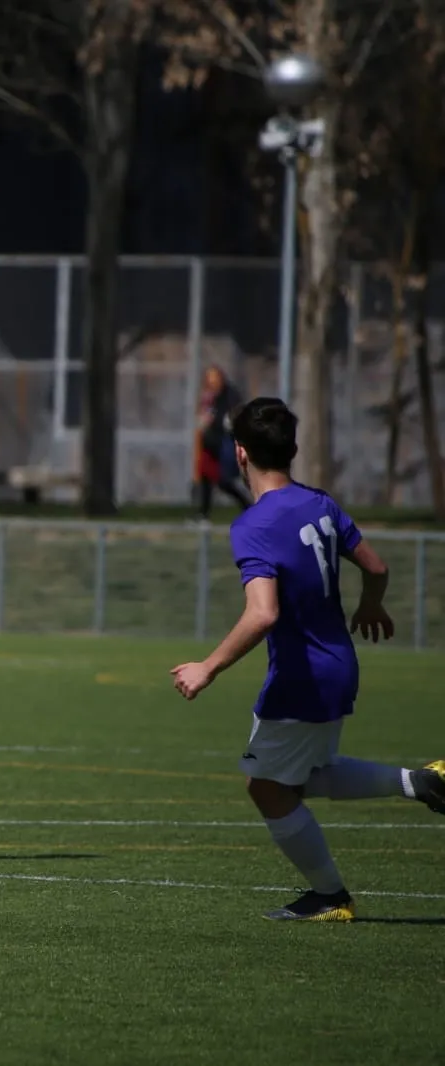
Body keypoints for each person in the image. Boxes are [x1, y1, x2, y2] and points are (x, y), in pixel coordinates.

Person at [171, 397, 445, 922]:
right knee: (299, 777)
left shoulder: (253, 525)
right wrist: (370, 603)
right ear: (291, 450)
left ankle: (330, 895)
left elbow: (263, 614)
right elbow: (378, 566)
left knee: (266, 787)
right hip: (338, 665)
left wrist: (207, 667)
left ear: (240, 452)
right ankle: (422, 781)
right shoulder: (320, 503)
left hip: (300, 676)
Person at [194, 364, 250, 520]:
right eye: (209, 380)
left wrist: (214, 420)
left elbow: (231, 418)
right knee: (205, 476)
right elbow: (203, 413)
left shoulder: (230, 395)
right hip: (209, 443)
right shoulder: (210, 396)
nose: (212, 383)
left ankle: (247, 506)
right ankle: (203, 513)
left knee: (223, 481)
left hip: (223, 443)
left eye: (215, 379)